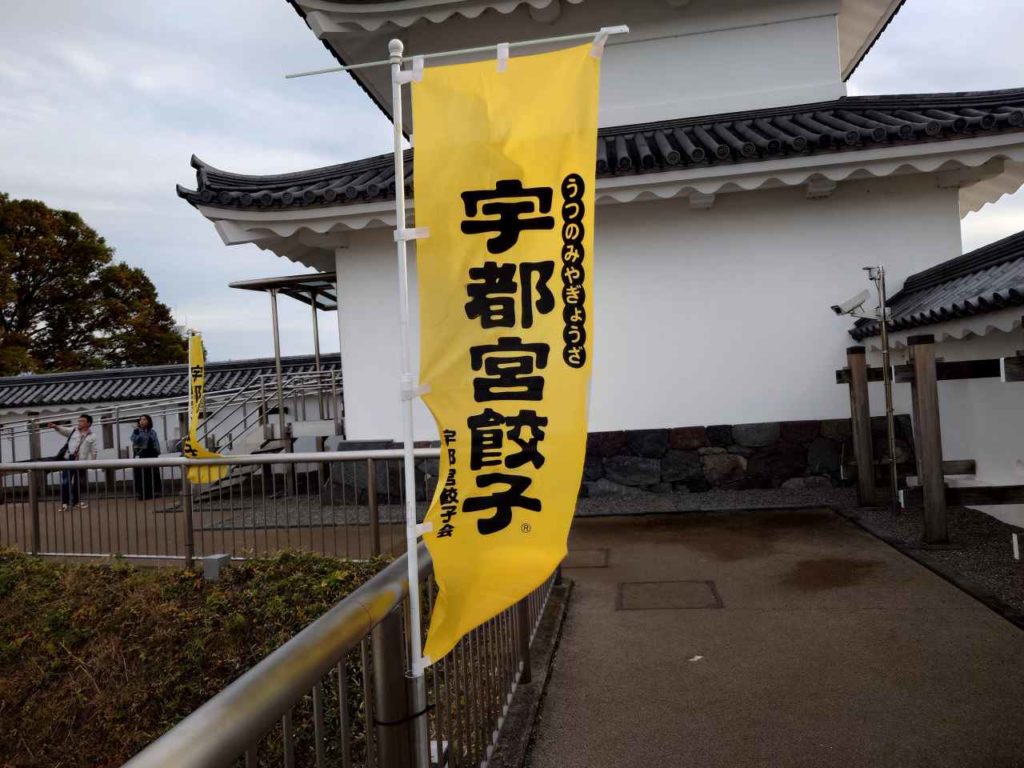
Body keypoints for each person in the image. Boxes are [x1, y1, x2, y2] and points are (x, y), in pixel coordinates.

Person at [48, 414, 97, 512]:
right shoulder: (74, 430)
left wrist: (93, 462)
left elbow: (93, 450)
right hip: (69, 459)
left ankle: (76, 502)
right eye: (79, 420)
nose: (80, 422)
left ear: (88, 423)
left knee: (78, 483)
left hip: (81, 461)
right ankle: (64, 503)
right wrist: (56, 427)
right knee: (66, 482)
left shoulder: (92, 436)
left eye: (82, 421)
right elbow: (64, 430)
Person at [130, 414, 162, 500]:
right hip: (142, 454)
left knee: (152, 474)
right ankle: (142, 494)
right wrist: (136, 431)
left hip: (152, 454)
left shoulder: (152, 432)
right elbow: (134, 440)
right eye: (140, 420)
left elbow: (156, 442)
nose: (142, 421)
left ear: (148, 421)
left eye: (144, 419)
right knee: (142, 475)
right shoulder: (137, 431)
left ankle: (153, 492)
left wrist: (157, 451)